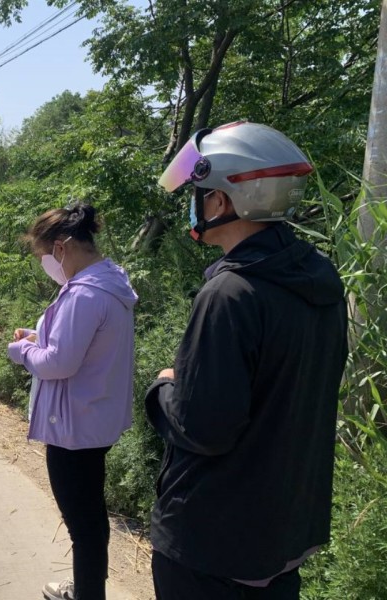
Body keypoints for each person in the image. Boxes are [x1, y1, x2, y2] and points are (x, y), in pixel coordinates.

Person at [147, 121, 348, 598]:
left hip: (211, 541)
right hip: (280, 535)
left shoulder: (230, 293)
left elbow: (205, 428)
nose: (195, 204)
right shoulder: (321, 278)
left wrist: (164, 387)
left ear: (220, 200)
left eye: (198, 192)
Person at [7, 203, 138, 600]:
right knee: (91, 516)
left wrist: (20, 351)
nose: (46, 264)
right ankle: (87, 587)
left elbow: (58, 363)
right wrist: (39, 337)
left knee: (83, 523)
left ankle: (87, 593)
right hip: (95, 415)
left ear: (61, 247)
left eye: (45, 255)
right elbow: (82, 346)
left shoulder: (83, 294)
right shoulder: (109, 281)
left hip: (73, 426)